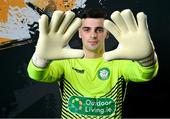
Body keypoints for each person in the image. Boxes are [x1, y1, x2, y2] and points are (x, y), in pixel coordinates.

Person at [27, 8, 159, 118]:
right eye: (87, 29)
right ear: (79, 32)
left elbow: (146, 74)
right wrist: (40, 59)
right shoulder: (65, 63)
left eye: (99, 30)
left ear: (107, 33)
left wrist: (148, 59)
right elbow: (37, 74)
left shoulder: (120, 64)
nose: (93, 35)